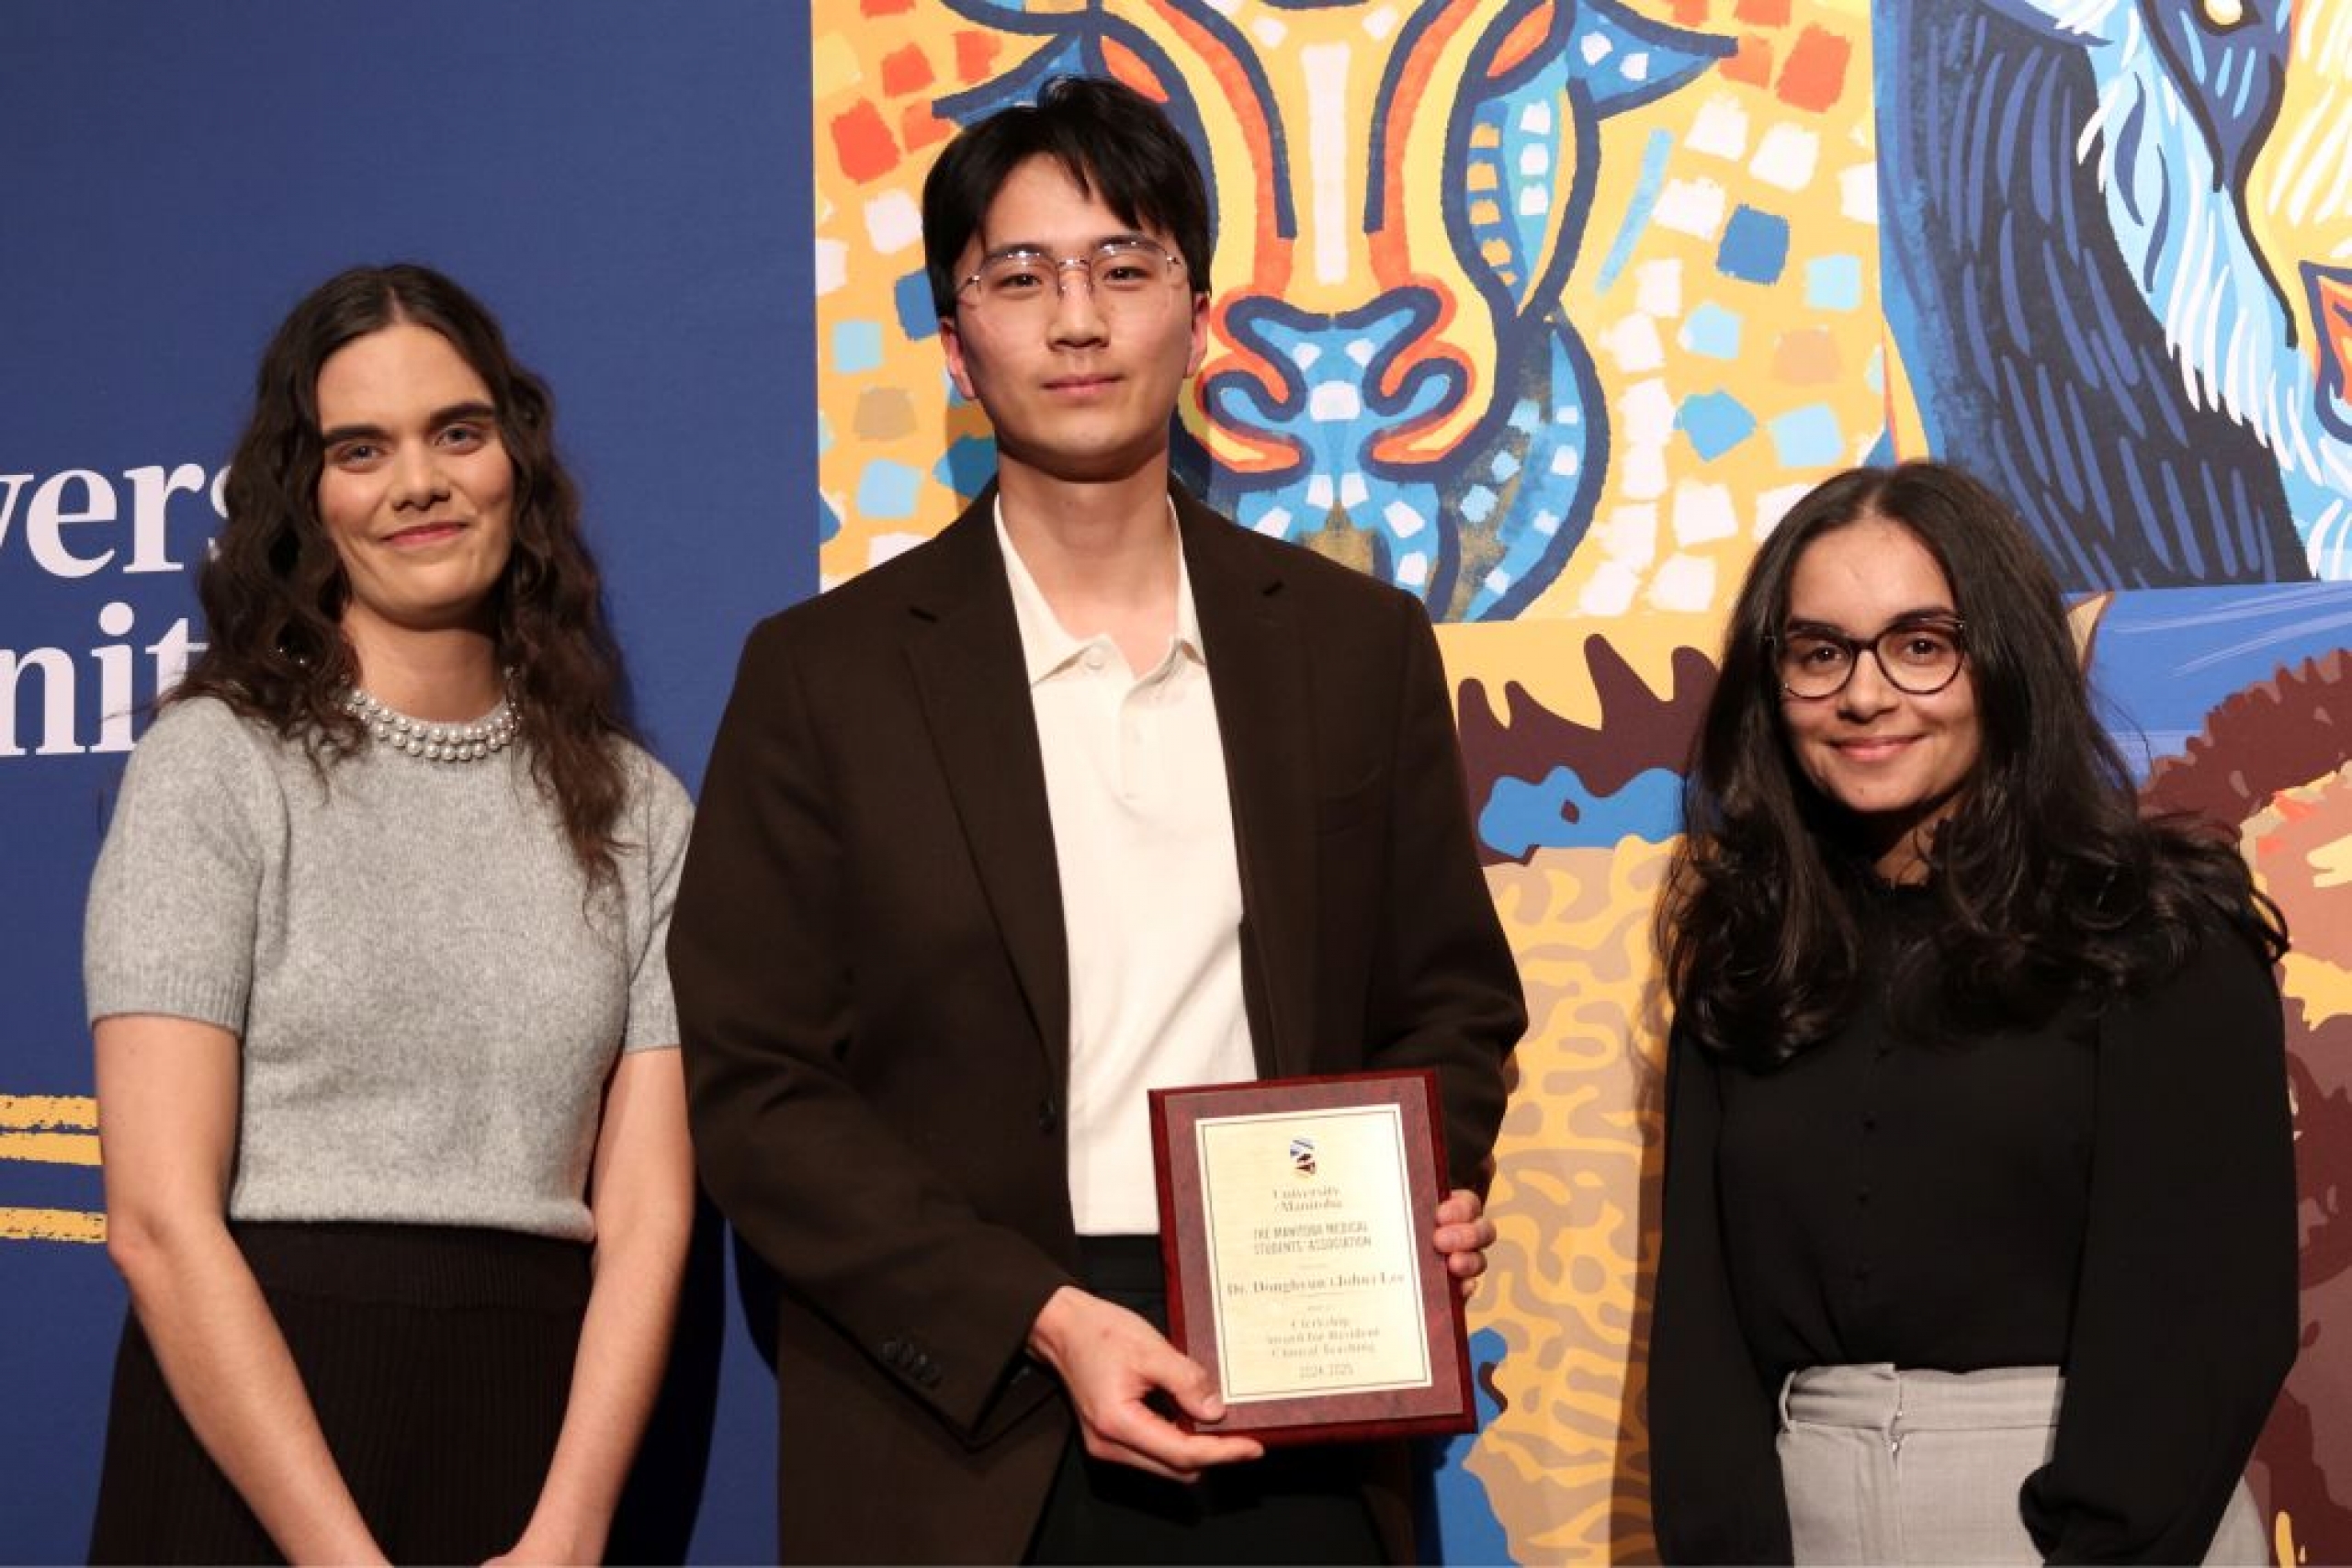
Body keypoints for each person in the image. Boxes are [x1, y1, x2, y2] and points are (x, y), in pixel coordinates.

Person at [670, 76, 1524, 1563]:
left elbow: (1448, 998)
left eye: (1126, 268)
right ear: (955, 340)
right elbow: (757, 1086)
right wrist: (1042, 1316)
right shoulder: (824, 677)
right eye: (1023, 275)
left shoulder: (1353, 646)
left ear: (1196, 319)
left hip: (1300, 1384)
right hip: (968, 1417)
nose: (1079, 320)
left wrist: (1420, 1186)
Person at [85, 264, 695, 1564]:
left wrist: (572, 1530)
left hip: (531, 1447)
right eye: (361, 449)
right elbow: (154, 1216)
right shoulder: (215, 765)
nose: (417, 482)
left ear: (514, 464)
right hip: (248, 1448)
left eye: (455, 432)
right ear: (307, 495)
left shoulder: (642, 812)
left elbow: (646, 1217)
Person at [1645, 459, 2297, 1563]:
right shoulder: (1749, 951)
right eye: (1819, 652)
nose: (1863, 694)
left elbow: (2204, 1319)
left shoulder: (2153, 933)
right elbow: (1701, 1334)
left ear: (2003, 662)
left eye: (1920, 644)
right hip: (1807, 1518)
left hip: (2096, 1524)